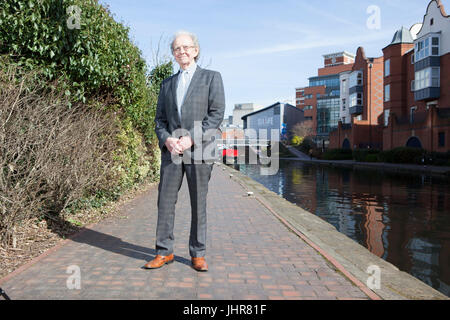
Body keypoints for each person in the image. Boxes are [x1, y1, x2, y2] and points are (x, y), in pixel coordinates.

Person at [143, 31, 225, 272]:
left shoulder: (212, 78)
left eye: (186, 47)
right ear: (174, 54)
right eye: (177, 49)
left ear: (196, 50)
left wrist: (191, 139)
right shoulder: (166, 84)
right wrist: (167, 139)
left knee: (198, 203)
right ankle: (163, 252)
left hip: (200, 151)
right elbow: (159, 120)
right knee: (165, 202)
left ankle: (198, 253)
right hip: (171, 153)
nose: (182, 52)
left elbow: (216, 115)